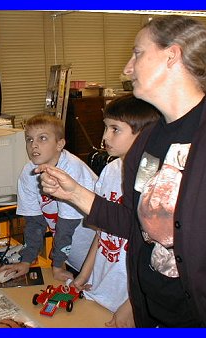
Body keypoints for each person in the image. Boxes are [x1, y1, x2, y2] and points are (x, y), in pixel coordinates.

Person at [37, 15, 206, 327]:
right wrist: (74, 193)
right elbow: (134, 222)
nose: (127, 67)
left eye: (137, 53)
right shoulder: (147, 141)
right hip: (154, 311)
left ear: (172, 55)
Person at [72, 94, 160, 328]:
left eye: (115, 130)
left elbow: (158, 256)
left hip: (129, 296)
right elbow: (102, 231)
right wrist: (83, 274)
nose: (104, 137)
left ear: (142, 134)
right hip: (100, 283)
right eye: (105, 128)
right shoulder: (110, 170)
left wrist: (132, 303)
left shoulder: (155, 180)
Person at [0, 114, 97, 282]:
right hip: (72, 255)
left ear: (60, 144)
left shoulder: (72, 169)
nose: (34, 145)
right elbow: (35, 223)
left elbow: (67, 226)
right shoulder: (28, 173)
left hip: (98, 254)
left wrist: (57, 265)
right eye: (29, 140)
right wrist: (26, 261)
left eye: (42, 138)